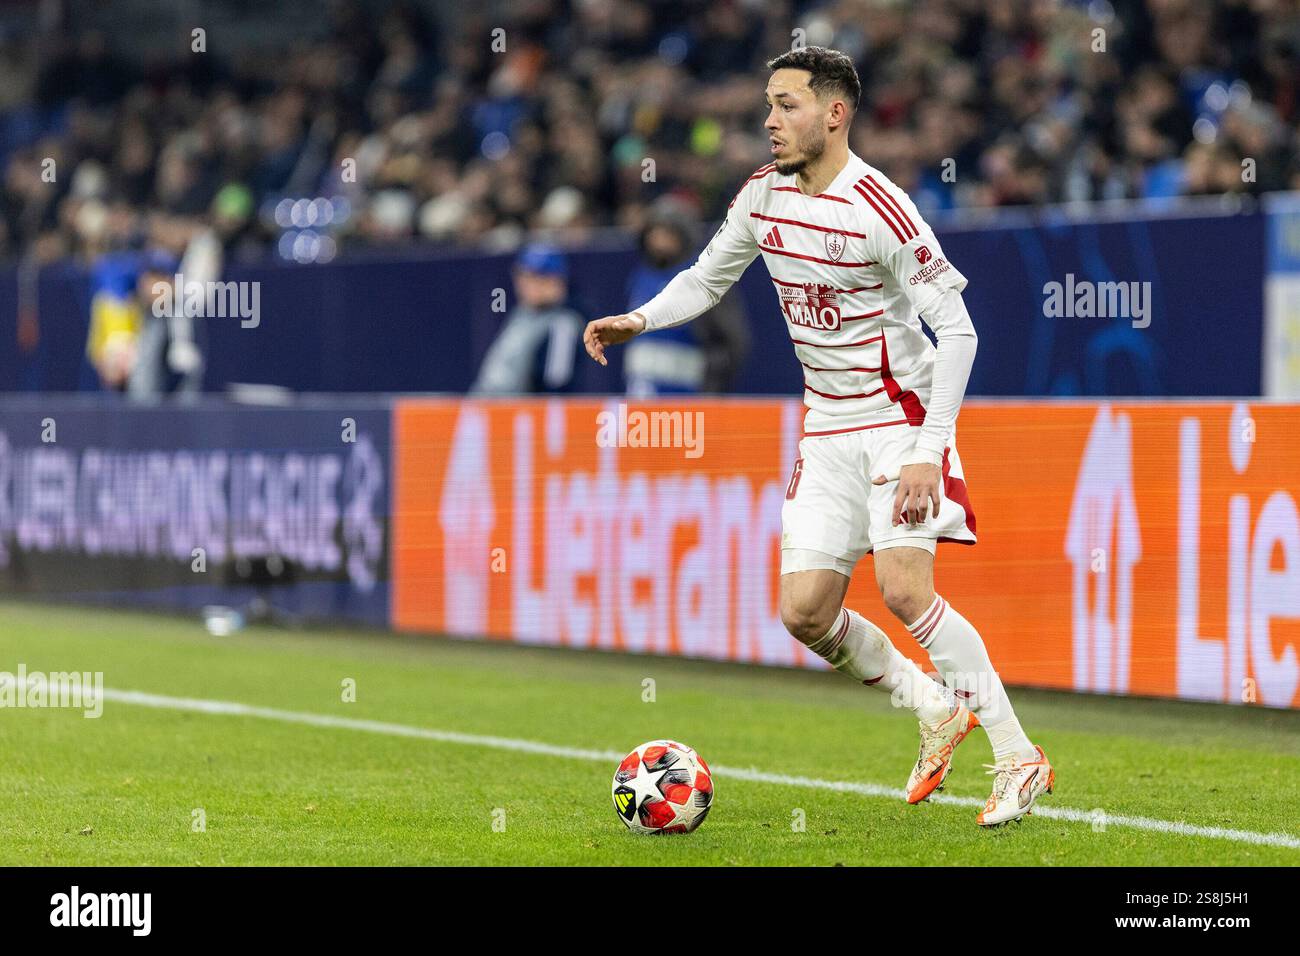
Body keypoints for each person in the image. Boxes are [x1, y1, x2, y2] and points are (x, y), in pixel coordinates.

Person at [583, 46, 1053, 827]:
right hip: (826, 426)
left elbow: (959, 332)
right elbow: (707, 276)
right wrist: (639, 319)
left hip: (897, 417)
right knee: (804, 611)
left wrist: (927, 450)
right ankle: (935, 708)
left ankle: (1017, 755)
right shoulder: (762, 196)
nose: (769, 120)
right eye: (768, 104)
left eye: (788, 104)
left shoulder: (881, 207)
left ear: (834, 114)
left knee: (905, 589)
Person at [624, 200, 749, 395]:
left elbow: (731, 342)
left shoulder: (703, 279)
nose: (659, 241)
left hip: (689, 398)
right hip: (641, 396)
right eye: (654, 233)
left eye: (667, 233)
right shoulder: (640, 277)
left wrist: (711, 387)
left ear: (682, 236)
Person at [471, 243, 587, 395]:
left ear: (557, 282)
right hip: (488, 409)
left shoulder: (563, 324)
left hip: (519, 414)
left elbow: (555, 388)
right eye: (523, 276)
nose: (525, 284)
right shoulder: (522, 314)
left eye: (537, 277)